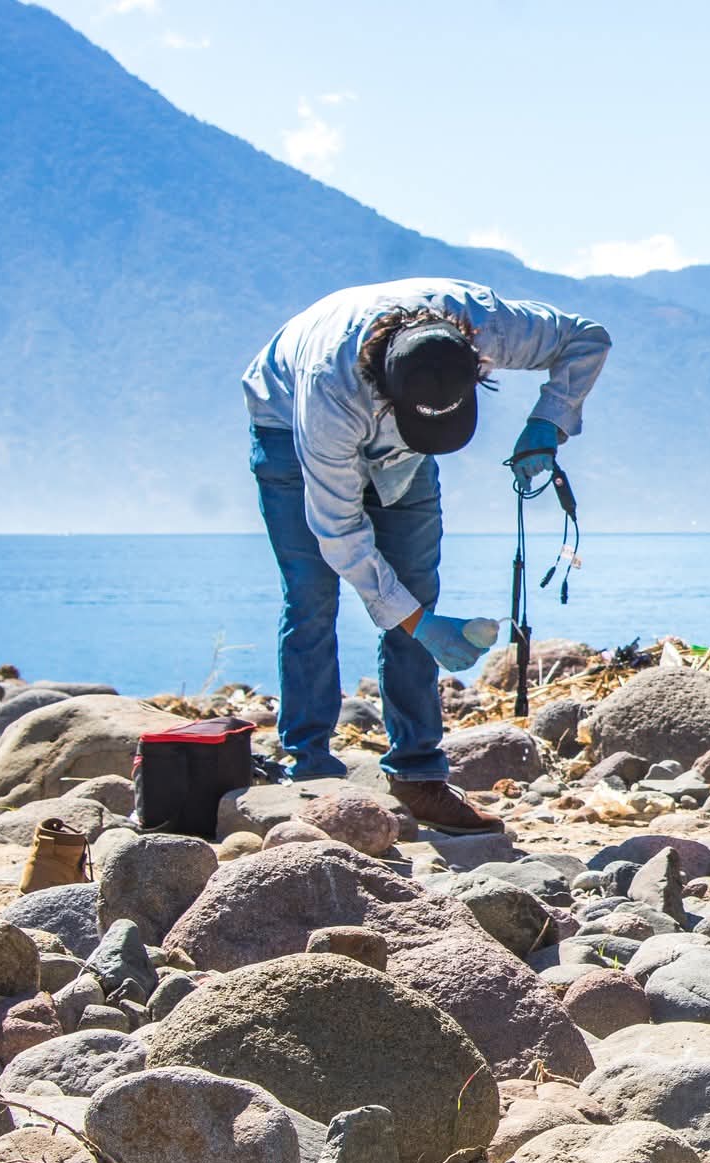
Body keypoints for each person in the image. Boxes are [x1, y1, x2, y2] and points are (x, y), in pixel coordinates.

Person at [243, 279, 610, 834]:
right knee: (312, 592)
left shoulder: (488, 324)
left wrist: (548, 422)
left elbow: (588, 338)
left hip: (403, 455)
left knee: (415, 585)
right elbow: (338, 531)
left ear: (477, 367)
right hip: (284, 422)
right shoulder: (329, 393)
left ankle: (418, 776)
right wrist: (420, 624)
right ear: (388, 394)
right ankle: (312, 771)